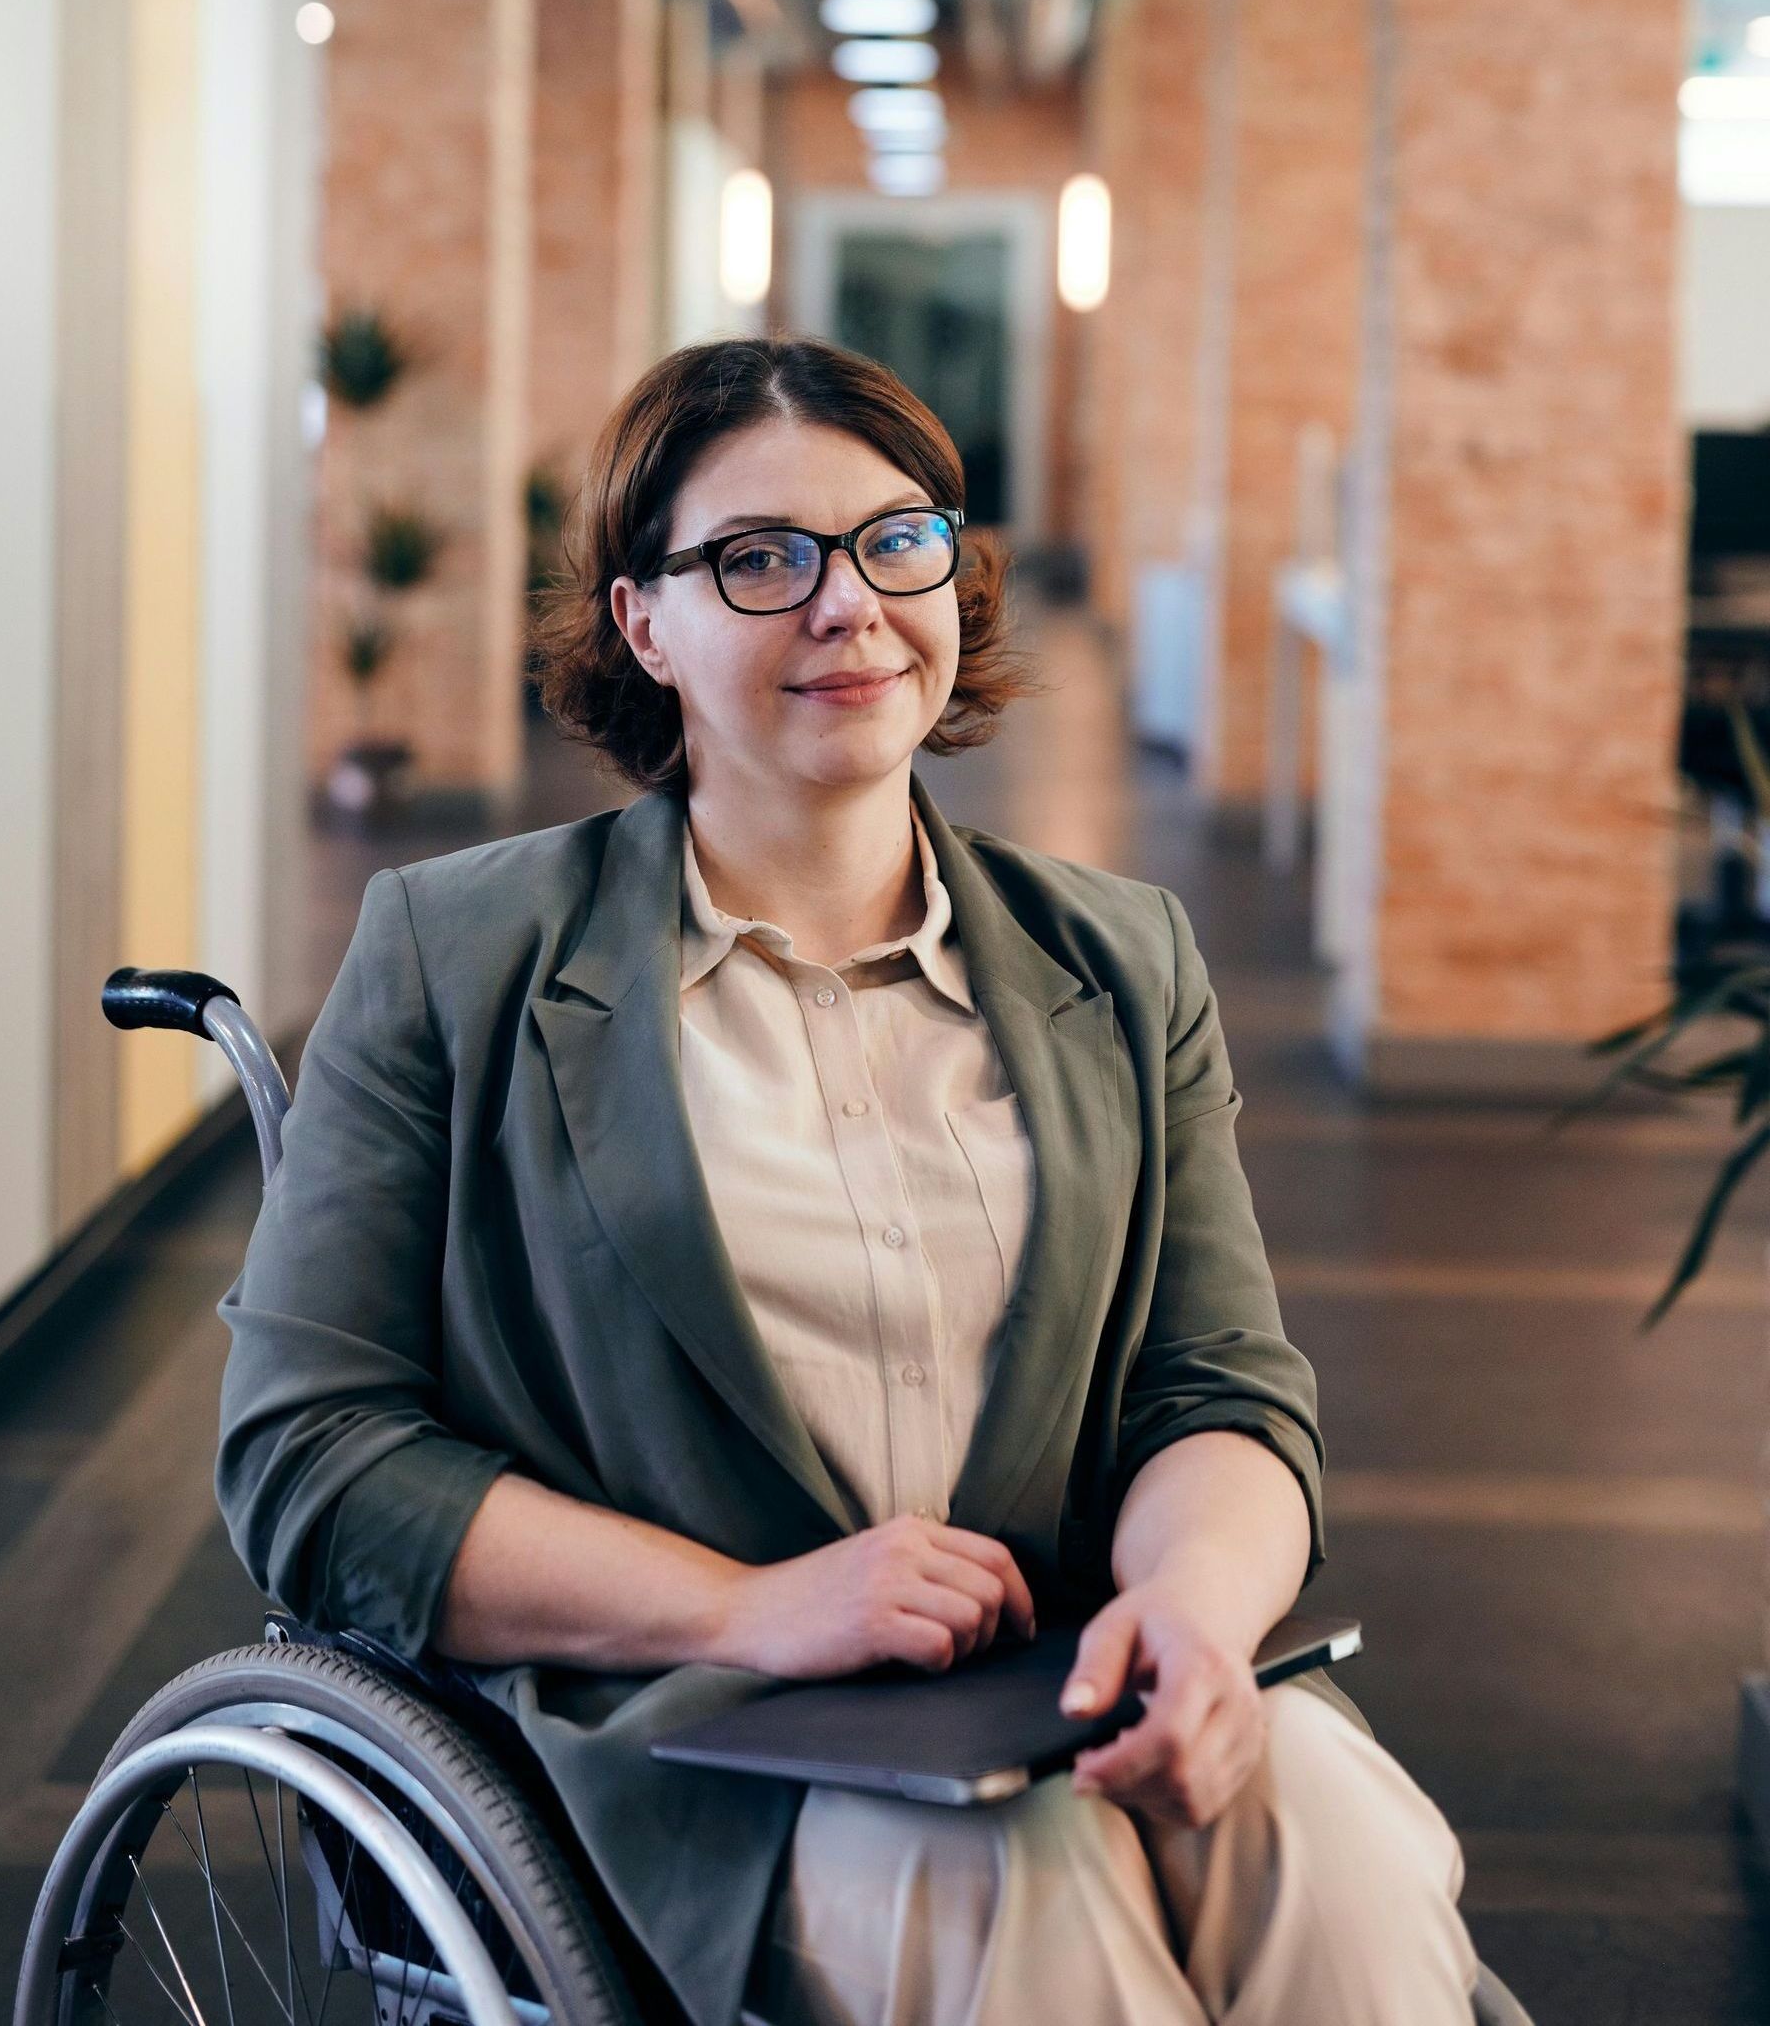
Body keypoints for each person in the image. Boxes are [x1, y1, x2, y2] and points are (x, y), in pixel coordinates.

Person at [215, 334, 1482, 2026]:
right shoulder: (462, 956)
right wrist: (757, 1607)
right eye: (760, 558)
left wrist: (1191, 1603)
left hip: (1061, 1680)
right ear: (640, 621)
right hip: (698, 1733)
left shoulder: (1121, 958)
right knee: (1026, 1895)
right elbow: (311, 1456)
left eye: (898, 539)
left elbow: (1217, 1385)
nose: (849, 603)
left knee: (1343, 1844)